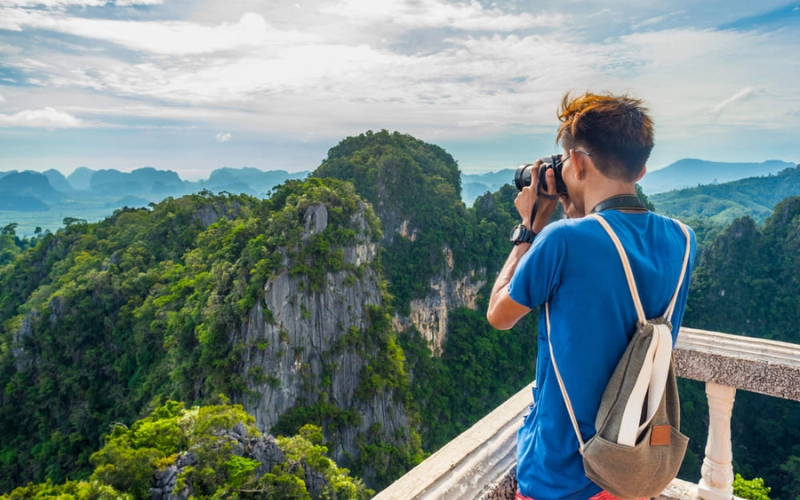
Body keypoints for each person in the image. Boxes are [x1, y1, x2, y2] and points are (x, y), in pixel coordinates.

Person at [486, 92, 696, 500]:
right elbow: (607, 259)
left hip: (561, 474)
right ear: (641, 168)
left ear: (578, 162)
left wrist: (528, 230)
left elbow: (499, 314)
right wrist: (576, 210)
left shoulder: (561, 240)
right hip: (628, 465)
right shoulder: (684, 240)